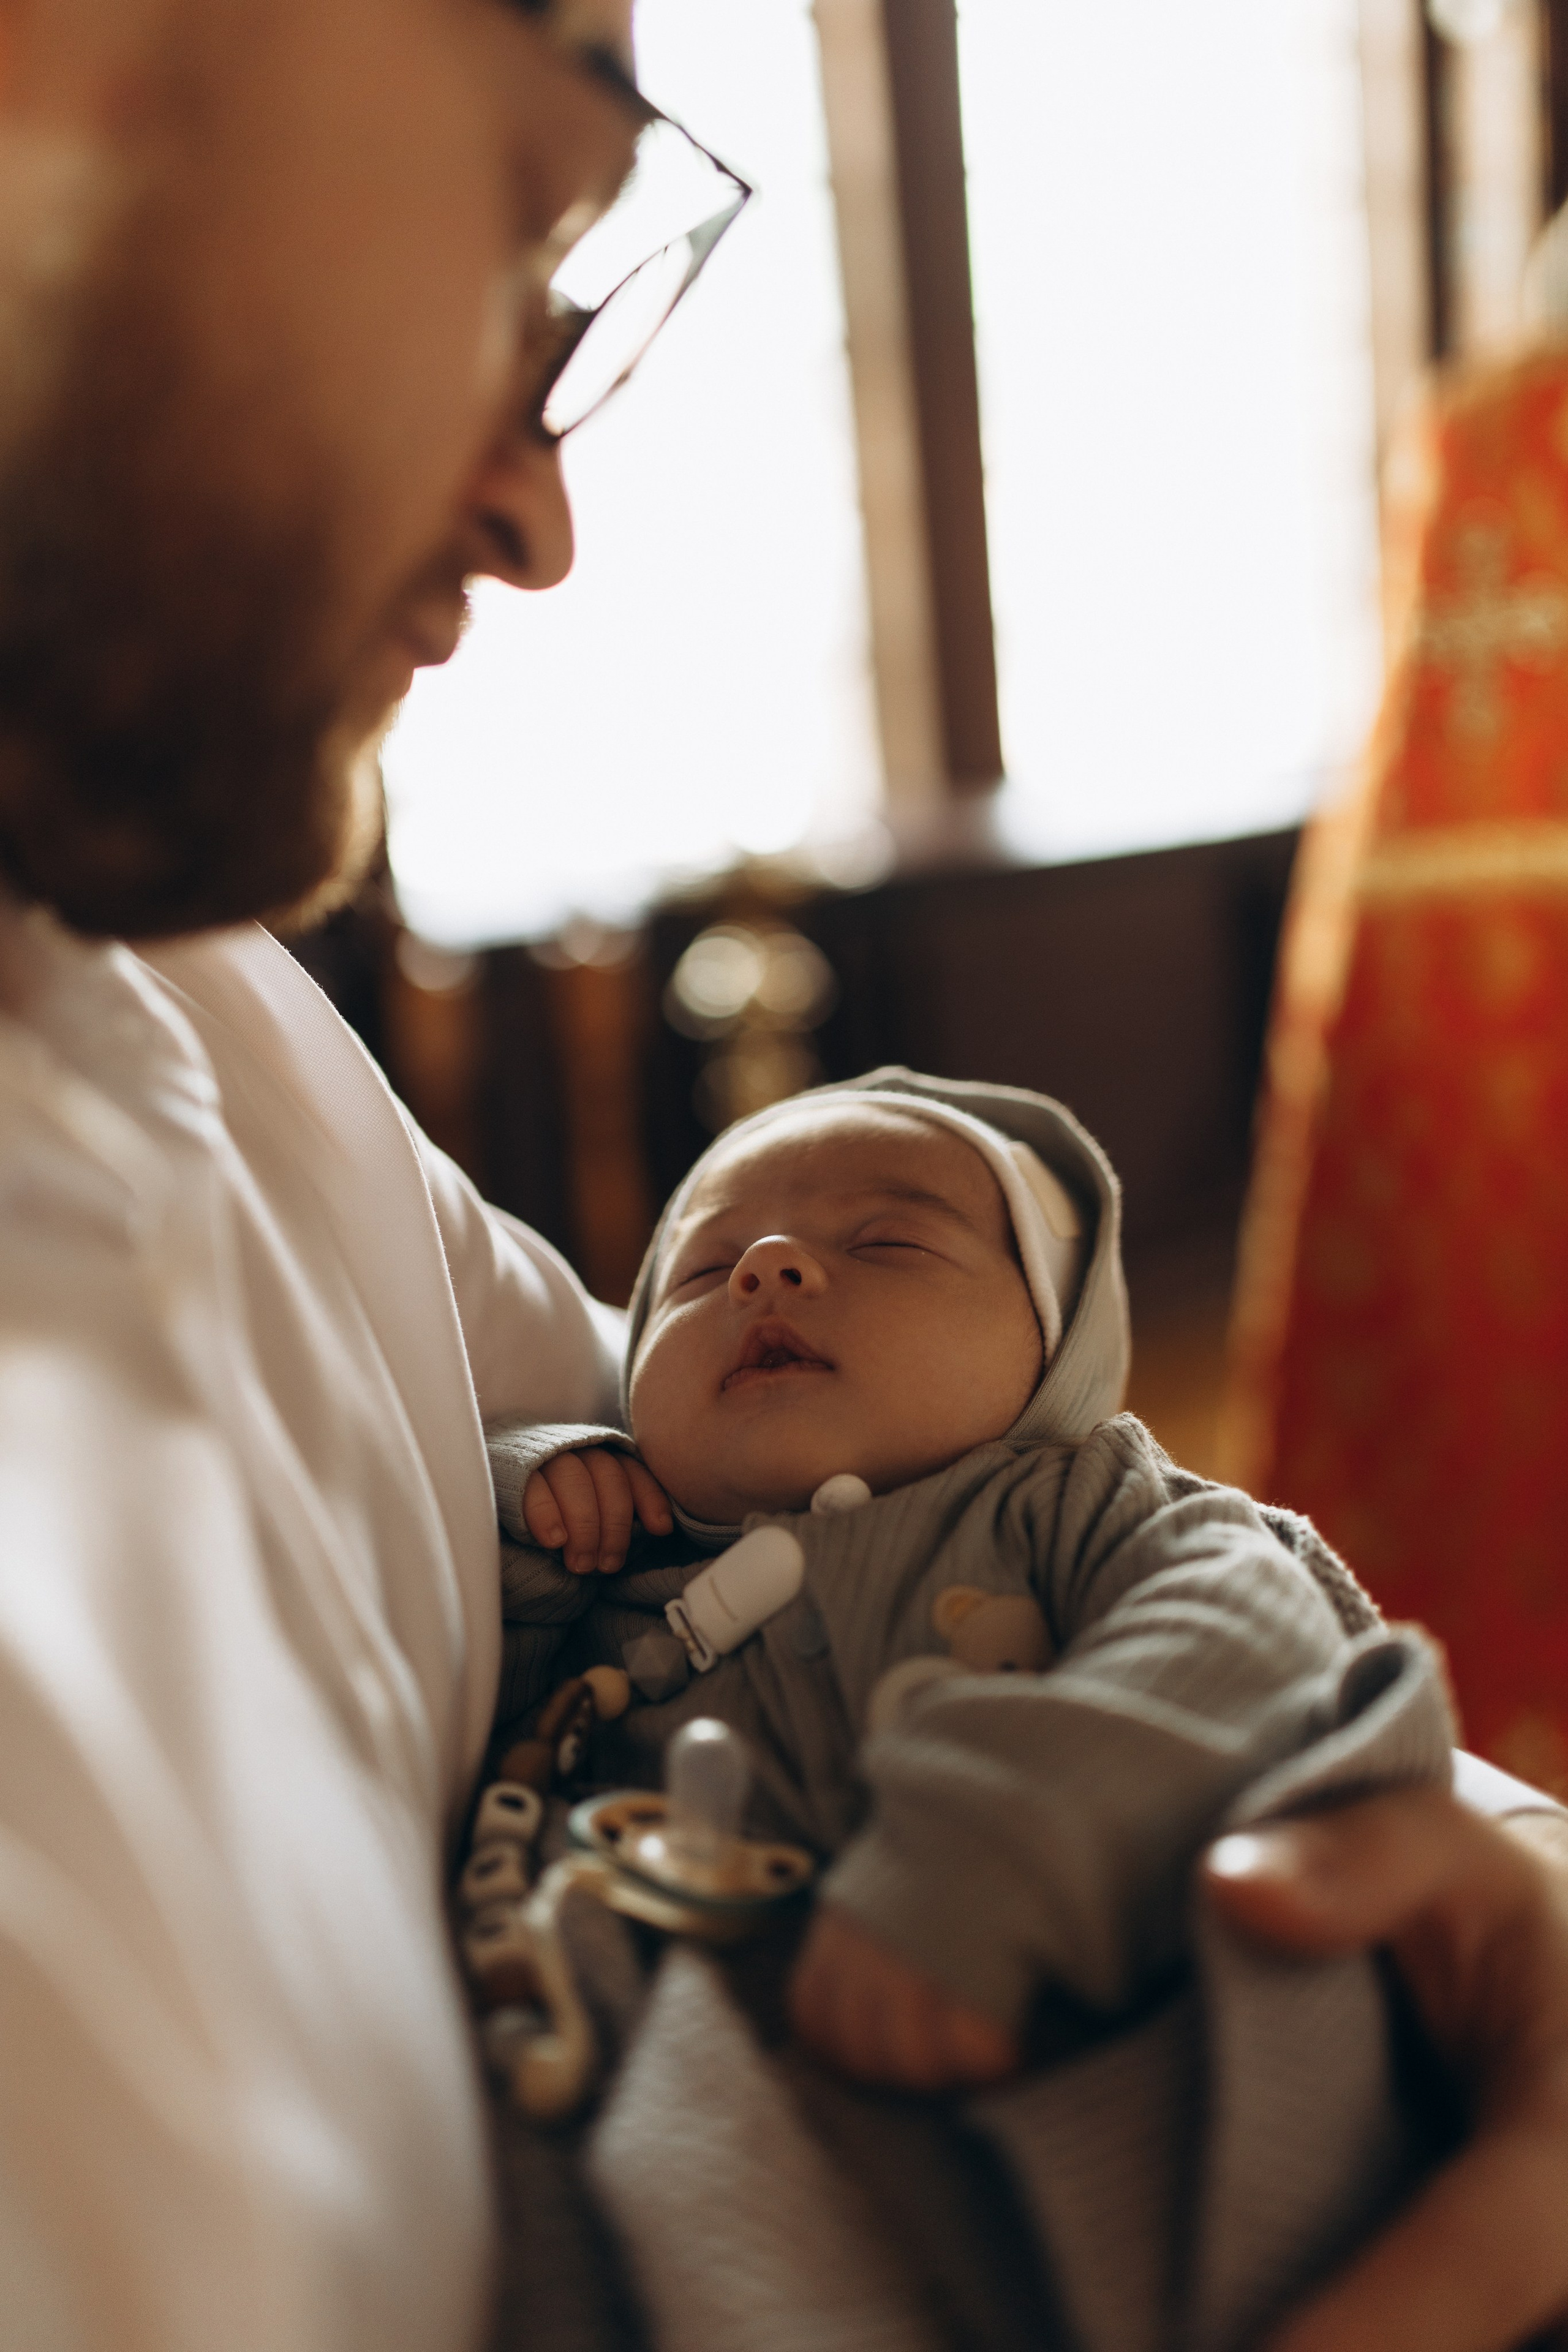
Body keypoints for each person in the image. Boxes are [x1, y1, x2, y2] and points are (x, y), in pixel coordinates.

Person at [0, 4, 1561, 2350]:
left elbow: (1223, 1638)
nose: (541, 511)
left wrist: (1491, 1943)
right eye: (534, 216)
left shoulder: (197, 1004)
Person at [483, 1069, 1458, 2346]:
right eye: (701, 1272)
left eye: (884, 1240)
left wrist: (994, 1851)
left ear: (1056, 1353)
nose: (768, 1267)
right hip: (765, 2138)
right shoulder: (638, 1581)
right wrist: (530, 1485)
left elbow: (1238, 1630)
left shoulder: (1075, 1503)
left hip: (1100, 2031)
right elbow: (481, 1685)